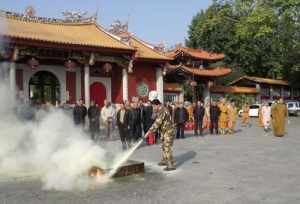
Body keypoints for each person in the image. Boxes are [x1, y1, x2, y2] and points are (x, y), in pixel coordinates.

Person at [145, 99, 176, 171]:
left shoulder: (163, 111)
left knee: (167, 147)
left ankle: (170, 165)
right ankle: (165, 160)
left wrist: (149, 132)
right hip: (164, 131)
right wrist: (154, 112)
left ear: (157, 105)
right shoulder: (159, 110)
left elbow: (157, 123)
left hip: (169, 131)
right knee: (163, 146)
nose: (153, 108)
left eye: (153, 106)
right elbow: (153, 118)